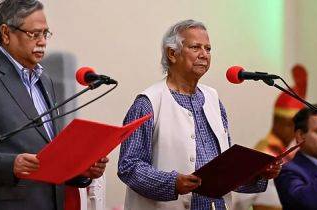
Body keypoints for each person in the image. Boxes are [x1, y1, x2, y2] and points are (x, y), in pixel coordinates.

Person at [0, 1, 108, 210]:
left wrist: (81, 171)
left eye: (46, 33)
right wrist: (11, 165)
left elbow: (47, 157)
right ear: (6, 34)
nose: (42, 42)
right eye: (34, 34)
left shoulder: (46, 81)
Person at [117, 19, 281, 210]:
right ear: (172, 53)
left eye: (208, 49)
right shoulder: (148, 103)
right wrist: (172, 183)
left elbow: (225, 172)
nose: (204, 55)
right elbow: (129, 166)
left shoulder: (213, 99)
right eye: (196, 47)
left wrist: (259, 174)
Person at [232, 64, 308, 210]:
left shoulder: (287, 153)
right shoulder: (265, 153)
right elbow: (242, 200)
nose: (293, 132)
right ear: (279, 123)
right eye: (290, 126)